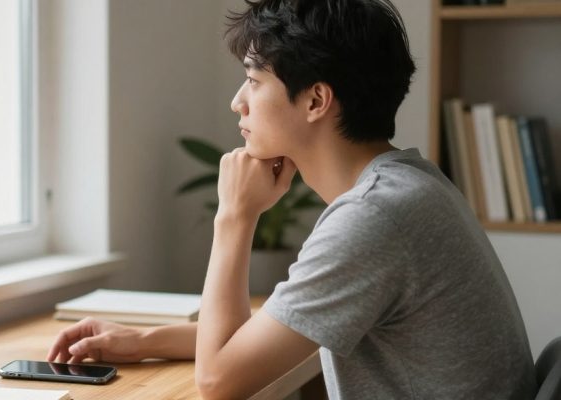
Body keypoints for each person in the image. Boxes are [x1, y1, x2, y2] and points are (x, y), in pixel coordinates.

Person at [47, 0, 537, 398]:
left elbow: (219, 381)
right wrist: (143, 341)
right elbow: (279, 332)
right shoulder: (409, 185)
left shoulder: (374, 216)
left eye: (255, 81)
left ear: (316, 100)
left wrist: (235, 217)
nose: (237, 101)